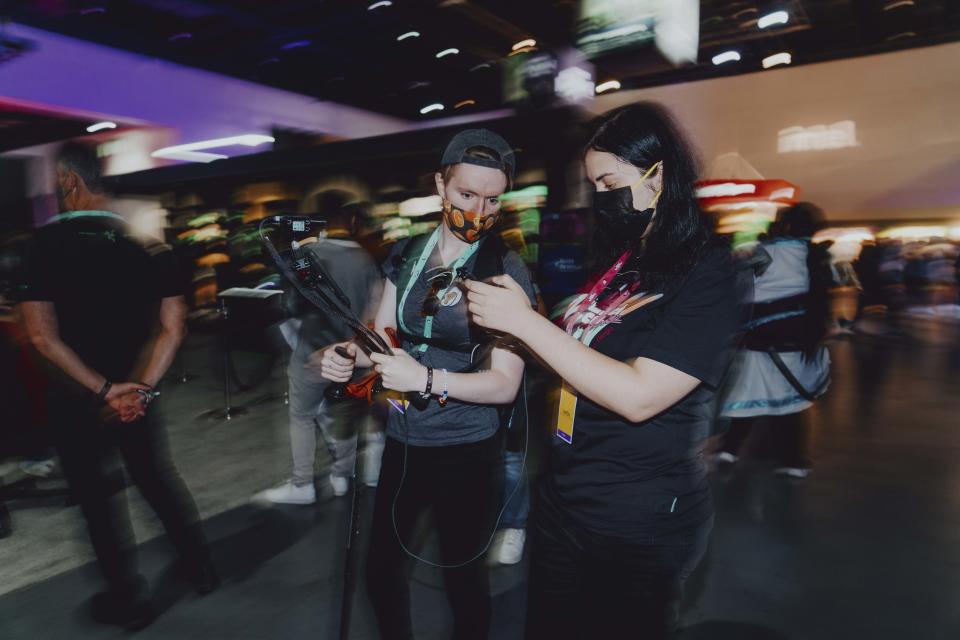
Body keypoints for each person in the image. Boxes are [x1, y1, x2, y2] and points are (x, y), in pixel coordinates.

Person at [465, 103, 745, 639]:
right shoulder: (623, 263)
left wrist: (527, 325)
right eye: (594, 185)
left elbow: (641, 394)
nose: (601, 197)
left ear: (659, 174)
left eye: (610, 181)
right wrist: (509, 331)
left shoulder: (711, 272)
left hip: (636, 513)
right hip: (566, 494)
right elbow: (579, 356)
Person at [319, 129, 537, 640]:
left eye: (491, 199)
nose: (478, 210)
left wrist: (427, 378)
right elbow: (383, 336)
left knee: (463, 580)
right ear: (441, 185)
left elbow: (505, 385)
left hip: (466, 446)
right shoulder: (408, 255)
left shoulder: (504, 271)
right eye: (466, 194)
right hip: (403, 440)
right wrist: (349, 356)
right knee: (380, 571)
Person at [20, 142, 215, 630]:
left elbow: (43, 337)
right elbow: (175, 327)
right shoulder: (145, 244)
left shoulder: (40, 248)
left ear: (68, 180)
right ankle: (200, 568)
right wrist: (140, 389)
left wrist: (104, 390)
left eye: (54, 178)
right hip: (138, 397)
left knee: (97, 500)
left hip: (77, 398)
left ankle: (128, 601)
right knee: (154, 479)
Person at [255, 192, 383, 505]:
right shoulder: (366, 259)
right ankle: (342, 476)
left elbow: (291, 307)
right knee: (347, 414)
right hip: (354, 354)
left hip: (312, 354)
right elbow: (375, 310)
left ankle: (302, 484)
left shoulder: (307, 254)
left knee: (302, 415)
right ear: (350, 220)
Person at [716, 203, 833, 478]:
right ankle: (793, 460)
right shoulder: (813, 256)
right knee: (791, 404)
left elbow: (735, 286)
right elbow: (820, 302)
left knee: (748, 394)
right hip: (795, 342)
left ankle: (728, 451)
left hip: (756, 340)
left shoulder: (760, 250)